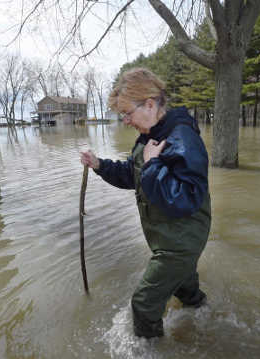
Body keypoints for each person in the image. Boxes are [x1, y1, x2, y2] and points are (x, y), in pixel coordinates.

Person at [80, 68, 211, 339]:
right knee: (186, 291)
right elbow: (133, 174)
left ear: (150, 105)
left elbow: (185, 199)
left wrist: (152, 165)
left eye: (128, 113)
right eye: (123, 115)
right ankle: (205, 318)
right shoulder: (151, 138)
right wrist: (99, 165)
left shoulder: (182, 138)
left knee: (143, 305)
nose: (126, 121)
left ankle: (149, 351)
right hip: (169, 239)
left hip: (180, 243)